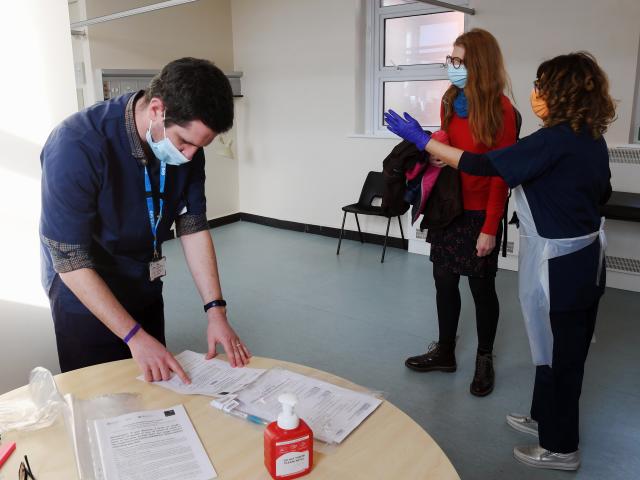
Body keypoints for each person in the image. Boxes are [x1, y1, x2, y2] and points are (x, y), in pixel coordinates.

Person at [385, 51, 615, 471]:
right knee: (549, 346)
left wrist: (423, 141)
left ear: (560, 92)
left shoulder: (555, 140)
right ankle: (544, 417)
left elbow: (482, 164)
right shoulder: (589, 138)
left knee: (563, 356)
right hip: (576, 257)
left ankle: (561, 448)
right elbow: (601, 195)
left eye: (542, 86)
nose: (536, 93)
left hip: (563, 263)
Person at [40, 57, 251, 382]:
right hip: (82, 284)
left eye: (201, 146)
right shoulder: (76, 145)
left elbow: (192, 226)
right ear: (156, 110)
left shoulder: (187, 150)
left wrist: (216, 311)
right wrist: (134, 337)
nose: (190, 155)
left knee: (154, 384)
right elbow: (70, 261)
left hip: (143, 275)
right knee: (100, 391)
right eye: (185, 142)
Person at [403, 29, 517, 397]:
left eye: (459, 61)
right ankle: (446, 351)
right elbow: (450, 138)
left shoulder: (503, 111)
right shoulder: (451, 98)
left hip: (481, 210)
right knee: (443, 280)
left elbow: (502, 173)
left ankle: (485, 358)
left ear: (479, 64)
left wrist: (489, 228)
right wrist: (438, 146)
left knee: (482, 288)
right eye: (451, 60)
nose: (453, 67)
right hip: (449, 206)